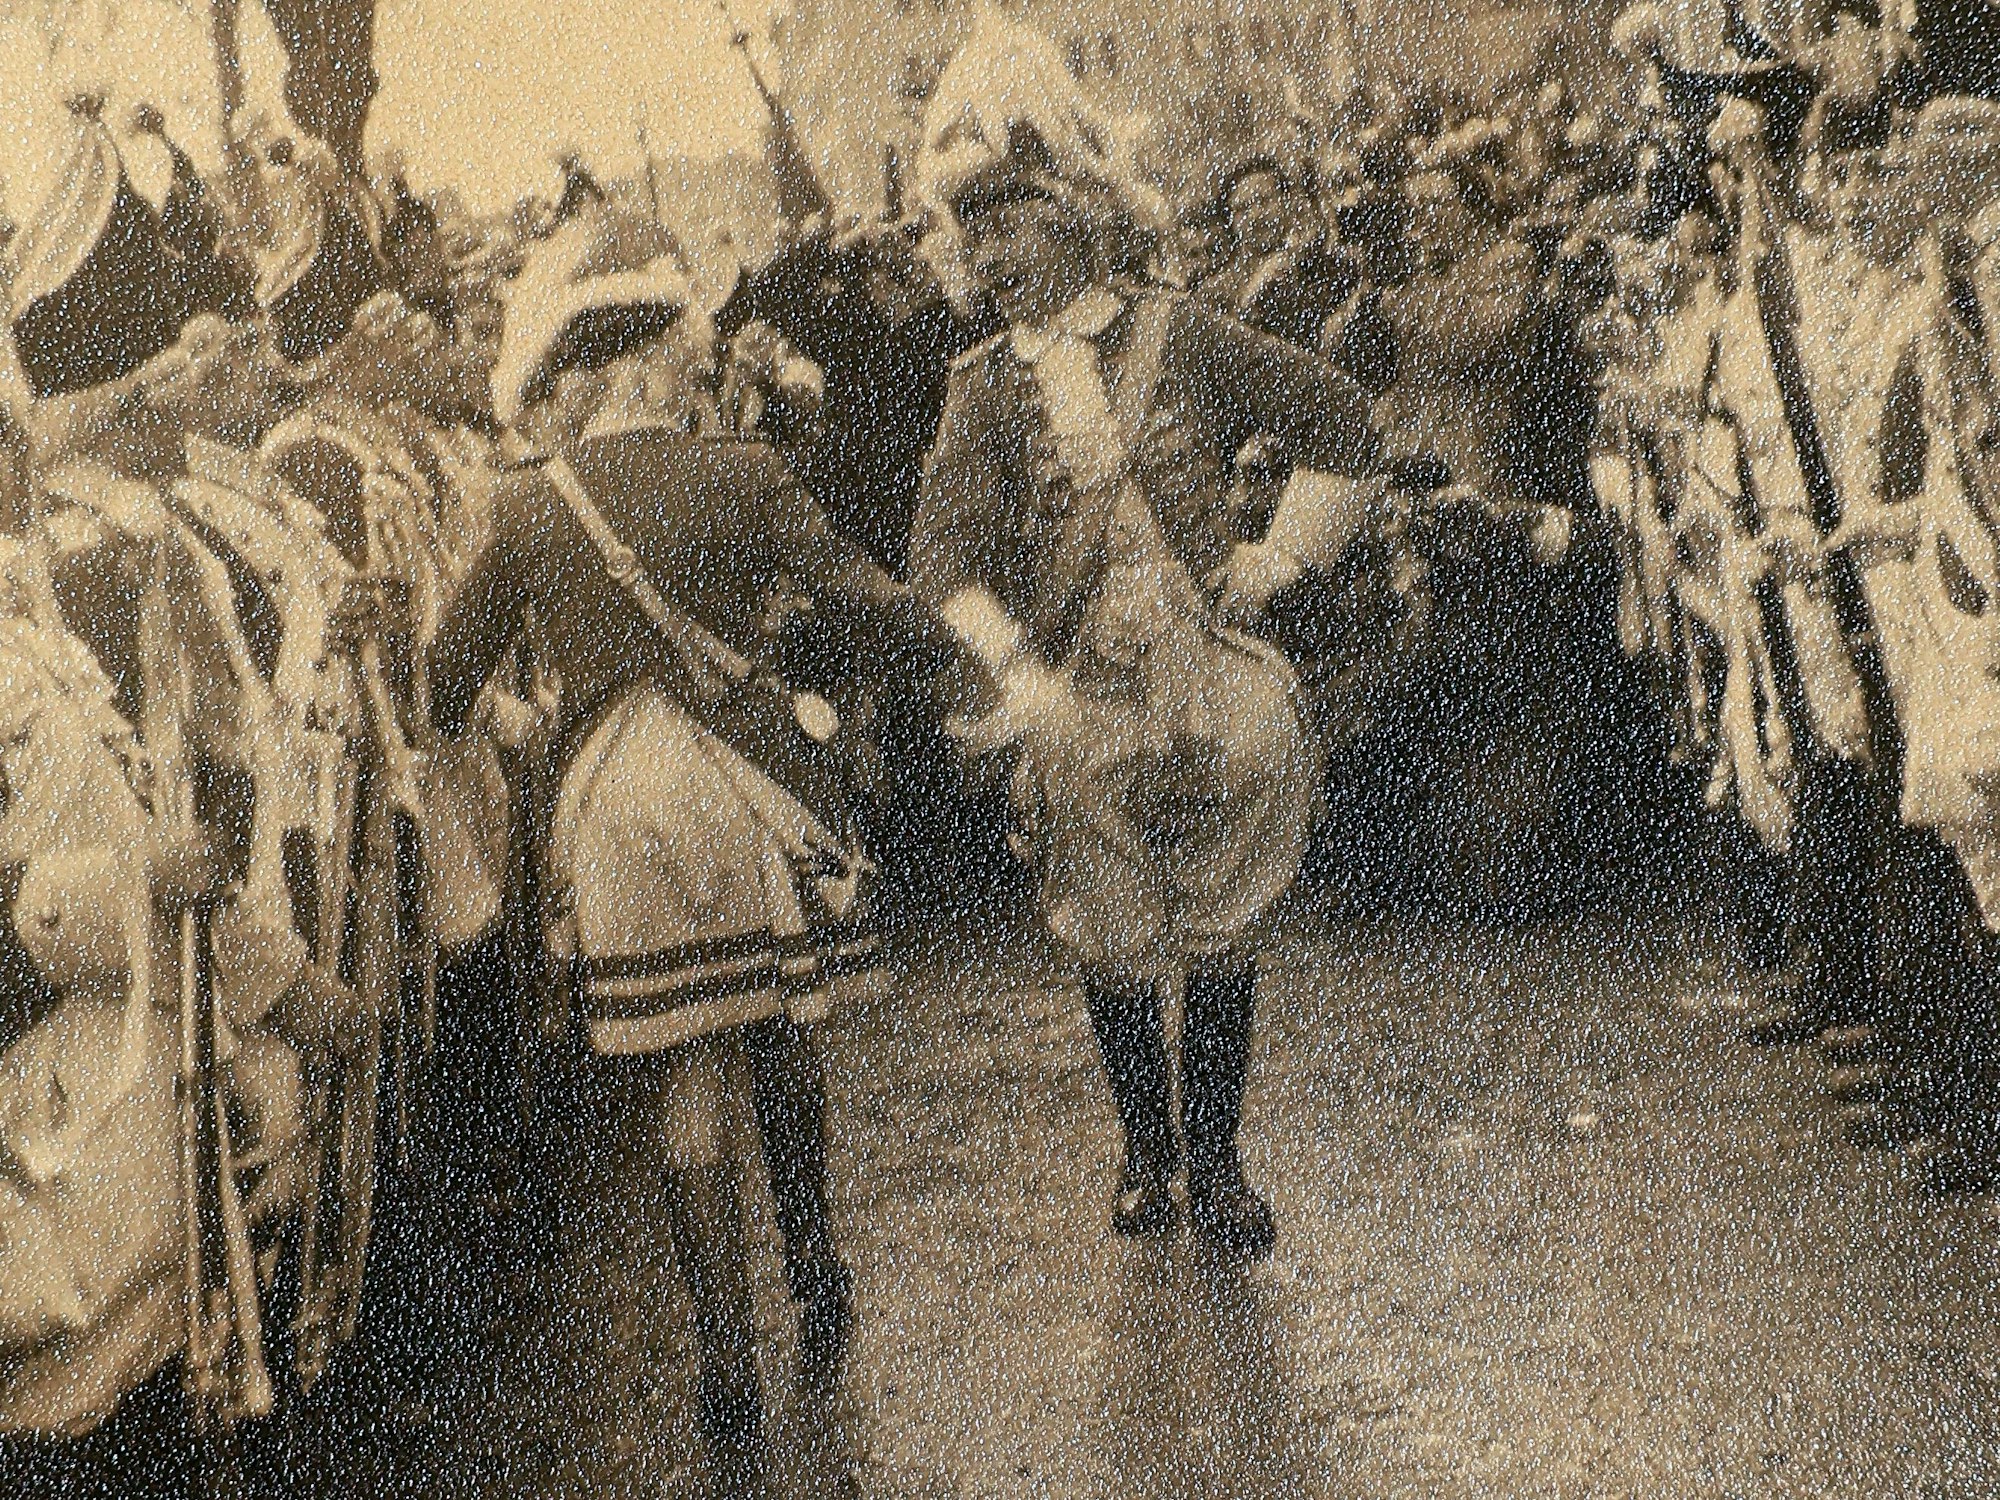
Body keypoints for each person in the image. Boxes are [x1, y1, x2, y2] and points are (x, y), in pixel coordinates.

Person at [342, 201, 980, 1492]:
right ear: (652, 364)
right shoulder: (742, 471)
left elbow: (440, 693)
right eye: (684, 354)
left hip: (612, 814)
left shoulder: (525, 507)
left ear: (589, 378)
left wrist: (366, 639)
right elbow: (865, 601)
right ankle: (814, 1270)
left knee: (686, 1083)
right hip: (747, 791)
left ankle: (723, 1357)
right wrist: (974, 658)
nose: (696, 370)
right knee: (782, 1033)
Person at [907, 15, 1396, 1260]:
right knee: (1109, 930)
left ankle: (1221, 1159)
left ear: (1073, 213)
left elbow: (1344, 421)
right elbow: (939, 561)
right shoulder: (976, 388)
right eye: (973, 228)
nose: (987, 251)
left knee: (1226, 924)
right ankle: (1145, 1155)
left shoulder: (1184, 332)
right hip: (1075, 688)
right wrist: (1016, 668)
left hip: (1208, 665)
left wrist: (1275, 560)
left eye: (1008, 220)